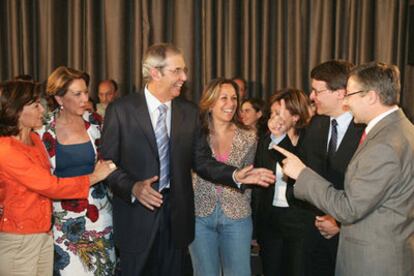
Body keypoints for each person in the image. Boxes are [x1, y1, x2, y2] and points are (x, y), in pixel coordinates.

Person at [101, 43, 275, 276]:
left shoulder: (188, 112)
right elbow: (108, 165)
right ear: (155, 73)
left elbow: (202, 161)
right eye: (177, 71)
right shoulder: (121, 110)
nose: (184, 77)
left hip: (177, 221)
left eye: (184, 70)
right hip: (137, 221)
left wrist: (234, 174)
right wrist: (133, 187)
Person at [275, 62, 414, 276]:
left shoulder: (385, 144)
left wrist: (302, 174)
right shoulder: (400, 129)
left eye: (350, 95)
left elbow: (349, 208)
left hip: (373, 262)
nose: (346, 102)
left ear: (371, 97)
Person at [0, 80, 115, 276]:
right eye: (35, 105)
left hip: (44, 233)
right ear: (17, 111)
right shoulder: (6, 150)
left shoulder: (35, 139)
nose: (42, 110)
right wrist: (95, 176)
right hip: (19, 238)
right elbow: (51, 185)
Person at [37, 67, 116, 275]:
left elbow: (114, 160)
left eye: (85, 92)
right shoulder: (42, 130)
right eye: (77, 94)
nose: (84, 99)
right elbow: (42, 181)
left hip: (100, 217)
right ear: (59, 98)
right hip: (62, 223)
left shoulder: (96, 123)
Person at [294, 60, 364, 276]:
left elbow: (369, 194)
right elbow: (304, 176)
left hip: (349, 242)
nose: (312, 97)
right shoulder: (316, 125)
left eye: (317, 91)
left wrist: (340, 224)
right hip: (312, 238)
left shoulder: (366, 130)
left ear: (341, 93)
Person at [189, 78, 257, 275]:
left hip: (237, 216)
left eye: (234, 98)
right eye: (224, 98)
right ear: (210, 102)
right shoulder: (194, 133)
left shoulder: (249, 135)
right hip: (199, 215)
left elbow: (249, 178)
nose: (231, 104)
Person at [253, 89, 311, 276]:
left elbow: (294, 163)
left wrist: (278, 138)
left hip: (298, 221)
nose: (273, 118)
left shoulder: (310, 141)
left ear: (295, 116)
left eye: (279, 113)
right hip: (270, 220)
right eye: (272, 113)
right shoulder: (265, 141)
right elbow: (258, 189)